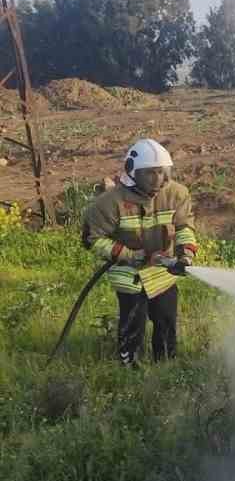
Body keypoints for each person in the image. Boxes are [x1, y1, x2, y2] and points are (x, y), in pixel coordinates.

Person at [81, 139, 198, 367]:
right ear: (131, 171)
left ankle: (166, 366)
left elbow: (184, 227)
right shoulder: (110, 202)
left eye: (163, 172)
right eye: (150, 174)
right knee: (133, 324)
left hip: (163, 274)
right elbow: (91, 240)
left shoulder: (176, 194)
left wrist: (186, 255)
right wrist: (133, 256)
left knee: (166, 322)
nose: (159, 180)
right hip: (130, 276)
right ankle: (130, 367)